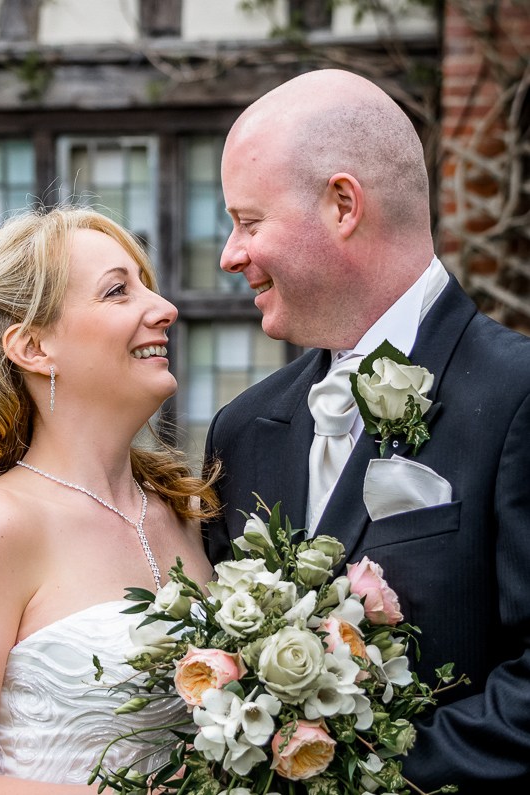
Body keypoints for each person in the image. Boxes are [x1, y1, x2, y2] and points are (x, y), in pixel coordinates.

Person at [204, 69, 530, 792]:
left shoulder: (516, 396)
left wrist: (352, 777)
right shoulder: (242, 431)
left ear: (343, 204)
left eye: (248, 221)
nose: (230, 253)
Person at [0, 206, 215, 794]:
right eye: (119, 291)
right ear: (34, 347)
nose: (164, 309)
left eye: (148, 286)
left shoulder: (187, 511)